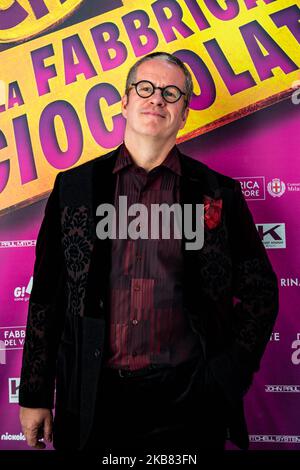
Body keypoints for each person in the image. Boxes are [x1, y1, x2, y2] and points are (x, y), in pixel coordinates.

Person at [19, 51, 278, 454]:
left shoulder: (216, 192)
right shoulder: (74, 188)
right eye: (146, 88)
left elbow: (261, 290)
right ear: (124, 102)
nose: (157, 99)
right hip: (93, 400)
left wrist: (226, 375)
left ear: (184, 113)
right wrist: (35, 393)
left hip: (189, 402)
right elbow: (47, 296)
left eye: (171, 93)